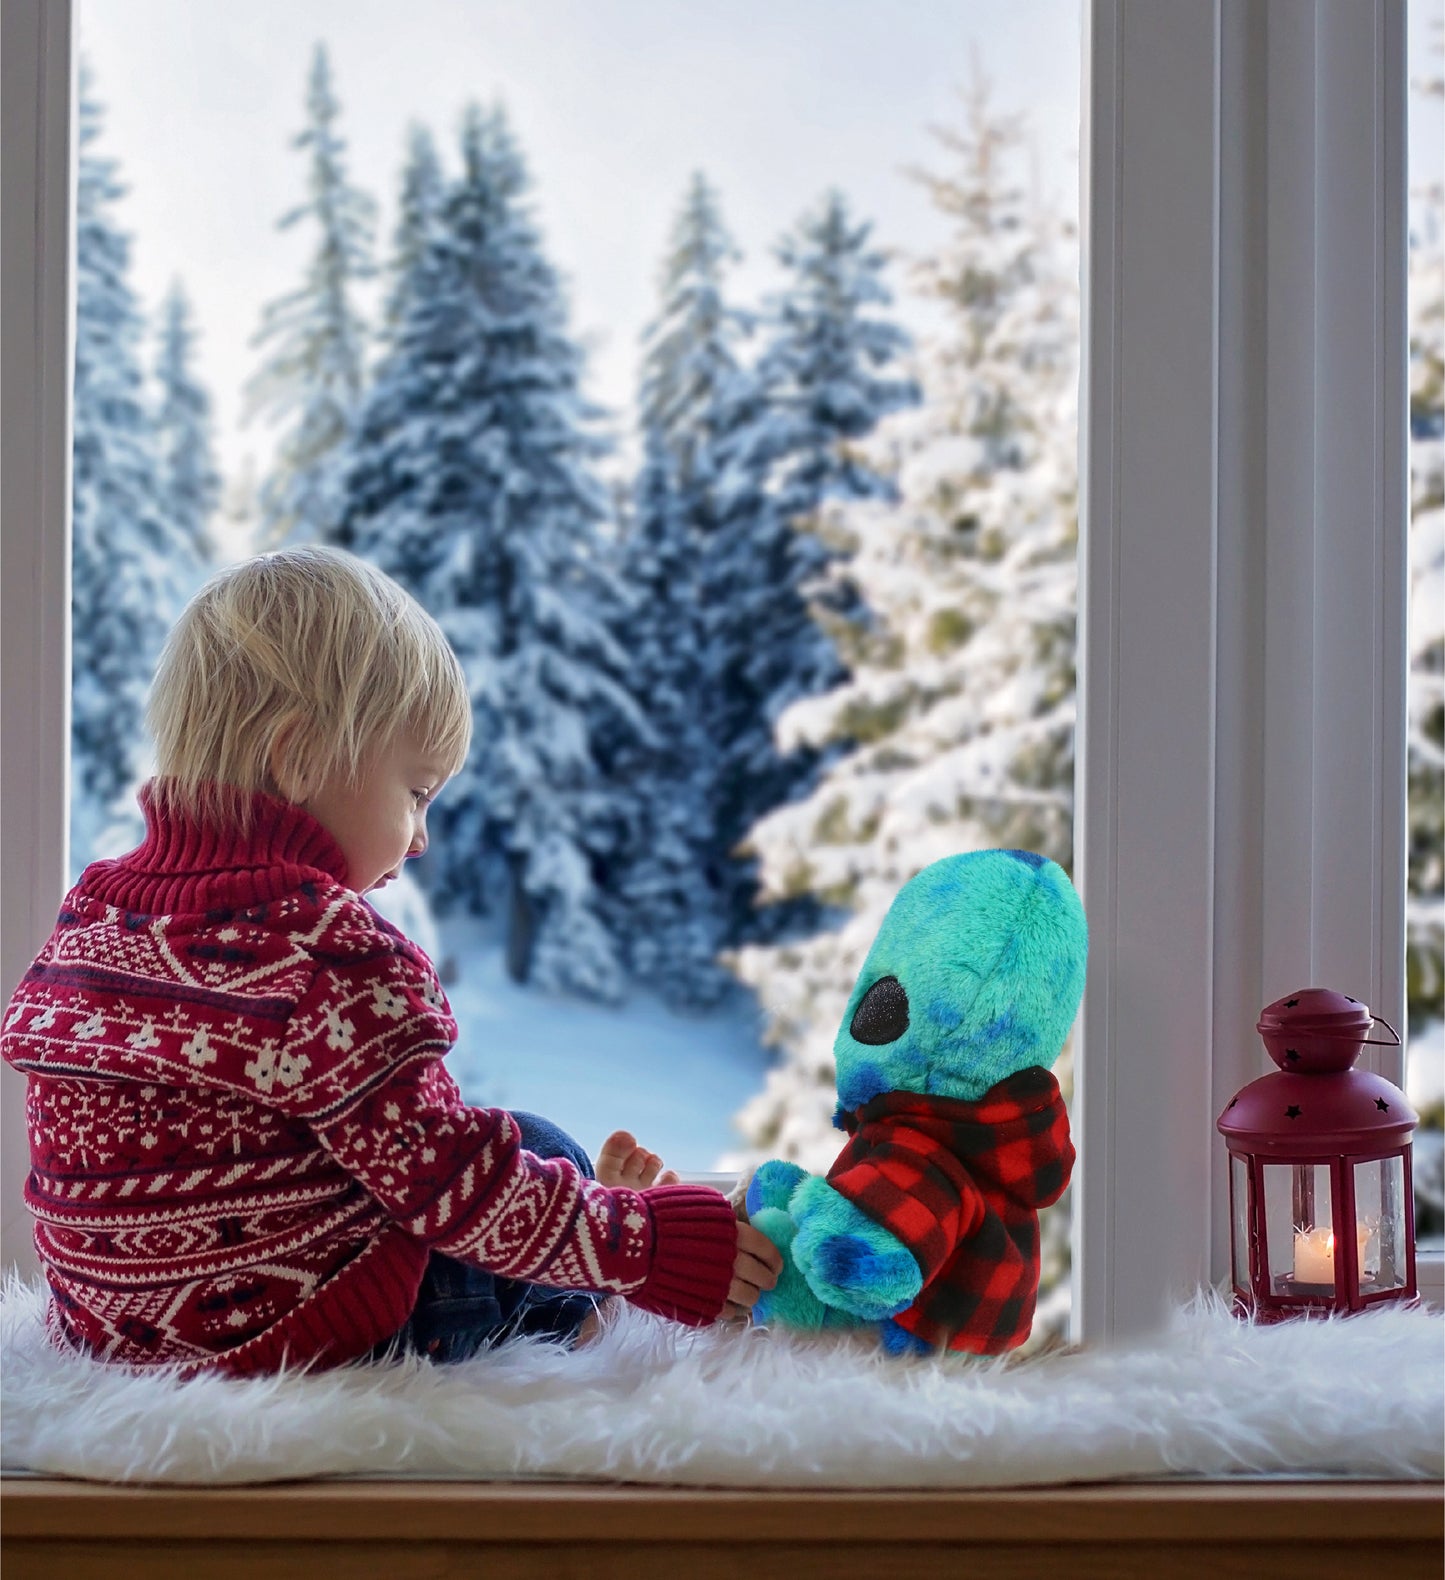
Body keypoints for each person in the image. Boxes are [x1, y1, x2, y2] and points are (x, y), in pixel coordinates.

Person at [1, 546, 779, 1374]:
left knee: (455, 1152)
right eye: (414, 792)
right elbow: (454, 1189)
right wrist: (654, 1248)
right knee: (537, 1146)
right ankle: (586, 1299)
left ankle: (588, 1243)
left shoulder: (94, 911)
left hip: (108, 1330)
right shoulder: (331, 953)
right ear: (297, 757)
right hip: (304, 1333)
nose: (419, 838)